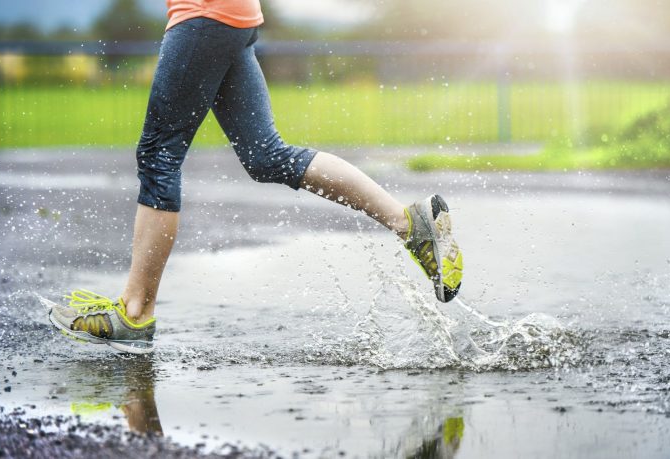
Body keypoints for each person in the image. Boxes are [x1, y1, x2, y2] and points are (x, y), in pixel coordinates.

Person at [48, 0, 463, 354]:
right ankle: (409, 222)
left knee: (159, 153)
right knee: (265, 155)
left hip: (205, 15)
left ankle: (135, 311)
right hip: (231, 16)